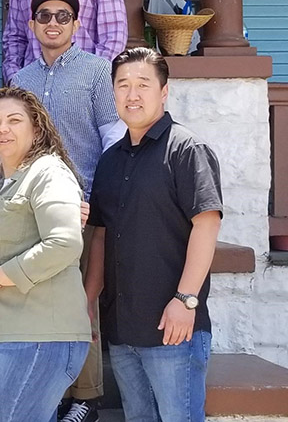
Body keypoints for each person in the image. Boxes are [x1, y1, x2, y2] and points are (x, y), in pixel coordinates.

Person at [87, 48, 223, 422]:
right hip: (122, 328)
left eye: (143, 85)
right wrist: (89, 299)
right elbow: (100, 233)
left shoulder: (186, 149)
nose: (132, 95)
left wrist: (186, 299)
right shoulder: (110, 160)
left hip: (172, 329)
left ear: (163, 92)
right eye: (123, 85)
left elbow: (207, 223)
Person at [10, 0, 123, 422]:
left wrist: (99, 202)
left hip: (83, 209)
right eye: (44, 16)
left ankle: (87, 398)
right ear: (32, 24)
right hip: (33, 211)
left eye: (62, 16)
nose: (53, 23)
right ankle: (52, 394)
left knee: (81, 301)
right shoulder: (21, 82)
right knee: (41, 303)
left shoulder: (97, 72)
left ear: (76, 24)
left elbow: (113, 138)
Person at [0, 86, 91, 422]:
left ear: (36, 128)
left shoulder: (48, 172)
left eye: (14, 120)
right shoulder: (7, 183)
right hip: (11, 333)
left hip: (35, 337)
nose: (2, 128)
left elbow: (64, 243)